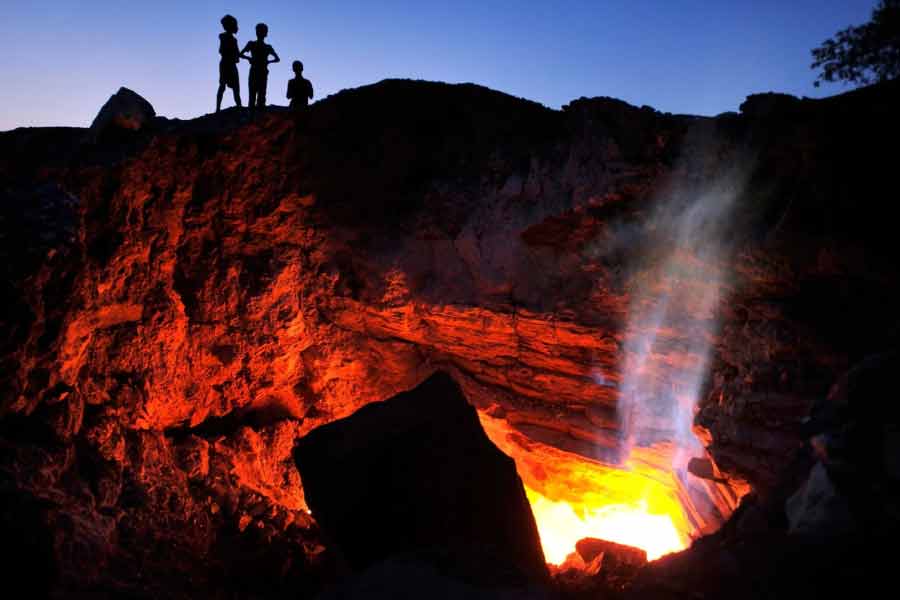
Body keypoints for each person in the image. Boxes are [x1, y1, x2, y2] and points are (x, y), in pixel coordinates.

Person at [241, 23, 280, 109]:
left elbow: (277, 59)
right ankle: (254, 118)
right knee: (258, 96)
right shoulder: (263, 46)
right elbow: (277, 59)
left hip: (259, 71)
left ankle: (255, 117)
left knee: (257, 96)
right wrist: (268, 62)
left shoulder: (260, 46)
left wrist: (249, 58)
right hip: (258, 71)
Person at [216, 15, 242, 112]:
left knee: (235, 88)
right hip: (226, 63)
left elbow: (238, 53)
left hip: (230, 64)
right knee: (222, 85)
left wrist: (242, 56)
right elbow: (222, 50)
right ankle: (218, 108)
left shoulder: (233, 40)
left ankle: (239, 106)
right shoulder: (223, 36)